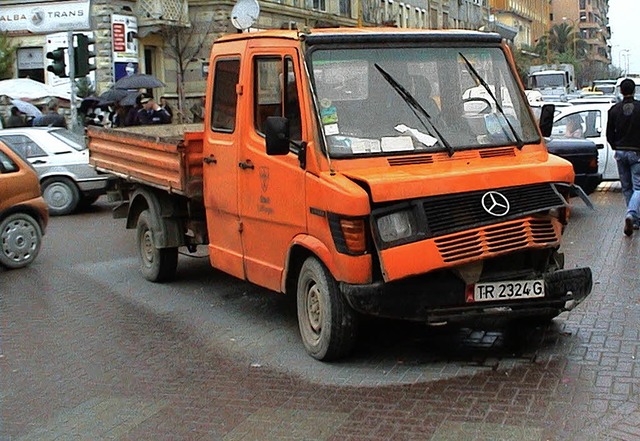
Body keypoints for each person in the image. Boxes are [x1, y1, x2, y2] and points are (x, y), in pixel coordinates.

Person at [606, 78, 640, 236]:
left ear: (621, 91)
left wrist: (616, 147)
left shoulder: (614, 110)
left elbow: (609, 134)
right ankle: (632, 215)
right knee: (638, 187)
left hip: (620, 151)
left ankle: (634, 218)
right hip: (636, 153)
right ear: (634, 91)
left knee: (626, 187)